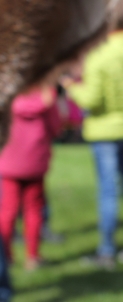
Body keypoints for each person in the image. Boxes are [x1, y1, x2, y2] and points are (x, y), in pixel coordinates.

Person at [64, 16, 123, 269]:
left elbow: (91, 100)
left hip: (104, 132)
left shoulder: (100, 56)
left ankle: (106, 251)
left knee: (108, 191)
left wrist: (71, 86)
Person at [0, 85, 61, 270]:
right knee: (33, 209)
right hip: (35, 159)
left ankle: (6, 256)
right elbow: (56, 127)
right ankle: (32, 257)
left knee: (6, 211)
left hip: (9, 158)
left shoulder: (7, 91)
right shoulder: (45, 94)